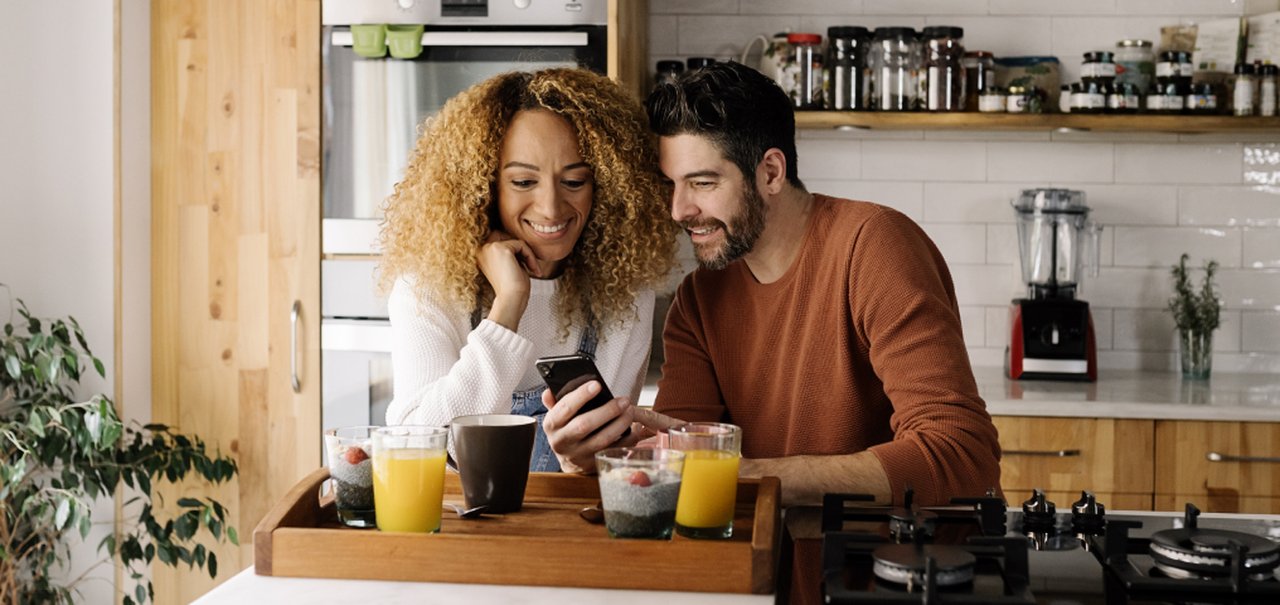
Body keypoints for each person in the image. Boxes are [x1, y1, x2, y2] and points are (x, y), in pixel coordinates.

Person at [542, 60, 1001, 508]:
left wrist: (736, 473)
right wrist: (589, 462)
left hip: (883, 577)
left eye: (702, 183)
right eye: (670, 186)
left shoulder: (873, 246)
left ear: (771, 172)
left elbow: (960, 455)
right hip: (758, 577)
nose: (679, 210)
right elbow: (679, 480)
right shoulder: (699, 301)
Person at [379, 68, 677, 472]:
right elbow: (416, 446)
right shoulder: (427, 285)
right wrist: (509, 304)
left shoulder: (625, 292)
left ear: (605, 187)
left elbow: (603, 460)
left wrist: (581, 460)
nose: (551, 208)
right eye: (523, 181)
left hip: (566, 526)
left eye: (574, 181)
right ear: (484, 187)